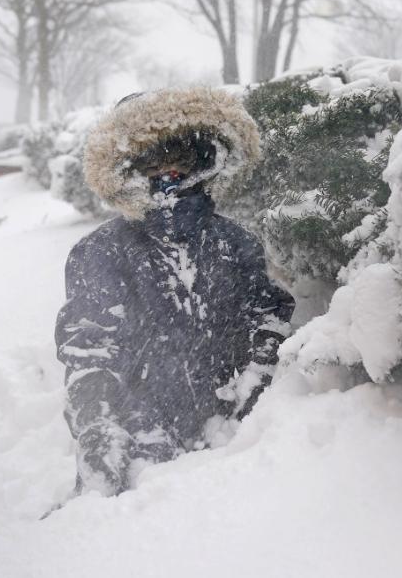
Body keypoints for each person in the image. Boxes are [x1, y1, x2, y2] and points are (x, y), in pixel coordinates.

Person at [55, 87, 294, 496]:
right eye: (153, 160)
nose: (168, 170)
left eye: (179, 156)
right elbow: (90, 349)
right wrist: (98, 428)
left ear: (202, 158)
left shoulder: (237, 244)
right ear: (131, 169)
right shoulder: (101, 252)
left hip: (233, 441)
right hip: (140, 449)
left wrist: (257, 389)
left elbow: (267, 319)